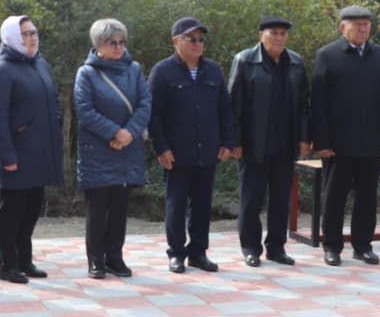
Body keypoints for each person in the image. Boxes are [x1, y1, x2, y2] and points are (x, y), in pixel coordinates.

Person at [311, 5, 380, 266]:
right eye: (357, 24)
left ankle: (363, 245)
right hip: (338, 144)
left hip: (371, 141)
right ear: (342, 27)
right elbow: (318, 102)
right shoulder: (327, 55)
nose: (363, 29)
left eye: (366, 24)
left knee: (367, 196)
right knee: (335, 196)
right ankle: (332, 246)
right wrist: (322, 141)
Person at [149, 17, 236, 273]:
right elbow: (153, 115)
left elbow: (225, 109)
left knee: (202, 204)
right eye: (191, 39)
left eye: (201, 39)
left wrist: (228, 142)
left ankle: (198, 252)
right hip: (177, 153)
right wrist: (161, 148)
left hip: (207, 150)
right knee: (176, 205)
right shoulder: (162, 72)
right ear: (176, 42)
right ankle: (176, 253)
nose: (198, 44)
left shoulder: (213, 70)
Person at [227, 15, 310, 267]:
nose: (279, 38)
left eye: (283, 33)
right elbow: (233, 105)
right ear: (260, 35)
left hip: (286, 143)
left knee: (281, 199)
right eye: (274, 33)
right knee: (251, 200)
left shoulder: (295, 62)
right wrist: (234, 141)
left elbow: (305, 106)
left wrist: (305, 138)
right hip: (254, 144)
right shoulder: (244, 61)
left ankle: (276, 247)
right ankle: (250, 247)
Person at [0, 15, 63, 284]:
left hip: (39, 151)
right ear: (12, 38)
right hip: (17, 153)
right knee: (12, 211)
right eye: (25, 34)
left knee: (31, 208)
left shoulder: (40, 64)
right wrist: (7, 156)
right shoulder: (2, 70)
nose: (31, 38)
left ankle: (24, 260)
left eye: (34, 32)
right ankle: (7, 265)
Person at [75, 19, 152, 279]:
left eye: (122, 42)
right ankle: (96, 260)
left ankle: (115, 258)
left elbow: (145, 102)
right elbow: (85, 110)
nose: (119, 47)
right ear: (98, 45)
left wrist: (128, 133)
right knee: (97, 209)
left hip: (127, 149)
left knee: (119, 208)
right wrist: (114, 132)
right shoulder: (86, 73)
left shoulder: (135, 70)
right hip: (97, 149)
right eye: (113, 42)